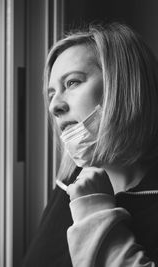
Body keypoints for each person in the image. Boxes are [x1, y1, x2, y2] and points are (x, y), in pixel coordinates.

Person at [23, 23, 158, 266]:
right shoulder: (70, 184)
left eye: (72, 83)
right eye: (51, 93)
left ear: (123, 86)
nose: (55, 106)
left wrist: (94, 211)